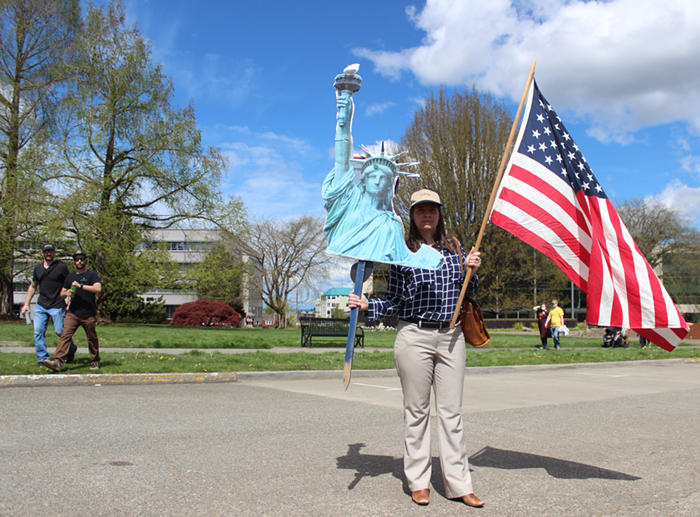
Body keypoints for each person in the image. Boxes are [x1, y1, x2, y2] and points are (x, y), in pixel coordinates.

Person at [348, 189, 485, 508]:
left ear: (439, 214)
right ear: (412, 215)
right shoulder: (402, 252)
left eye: (432, 209)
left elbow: (466, 292)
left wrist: (472, 272)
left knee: (452, 413)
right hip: (414, 335)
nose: (427, 215)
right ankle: (418, 481)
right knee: (417, 412)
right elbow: (394, 299)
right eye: (420, 210)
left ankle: (460, 484)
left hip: (451, 337)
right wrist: (368, 303)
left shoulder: (455, 247)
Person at [323, 88, 441, 269]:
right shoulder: (349, 199)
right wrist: (343, 121)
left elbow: (405, 259)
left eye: (383, 178)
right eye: (372, 176)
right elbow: (341, 159)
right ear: (363, 180)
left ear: (390, 185)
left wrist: (433, 260)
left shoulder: (393, 224)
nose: (377, 181)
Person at [43, 250, 102, 371]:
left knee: (92, 338)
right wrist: (66, 293)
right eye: (76, 259)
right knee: (65, 336)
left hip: (88, 313)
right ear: (74, 261)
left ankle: (95, 360)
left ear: (85, 260)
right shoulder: (70, 277)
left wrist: (81, 286)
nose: (79, 261)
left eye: (81, 259)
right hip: (73, 312)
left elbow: (98, 289)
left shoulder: (92, 275)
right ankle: (57, 362)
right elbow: (62, 294)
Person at [20, 244, 77, 366]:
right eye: (46, 251)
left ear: (55, 253)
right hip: (41, 305)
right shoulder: (38, 269)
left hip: (57, 305)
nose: (49, 253)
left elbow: (69, 285)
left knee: (60, 331)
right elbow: (33, 286)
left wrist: (69, 301)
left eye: (51, 251)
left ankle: (71, 349)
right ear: (42, 253)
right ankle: (42, 359)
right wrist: (26, 304)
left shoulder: (61, 267)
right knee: (38, 332)